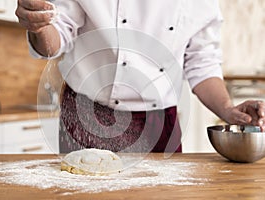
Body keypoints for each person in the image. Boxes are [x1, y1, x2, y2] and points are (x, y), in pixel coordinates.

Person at [16, 0, 265, 153]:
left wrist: (228, 110)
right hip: (86, 115)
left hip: (158, 122)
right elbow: (57, 35)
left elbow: (203, 63)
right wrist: (39, 26)